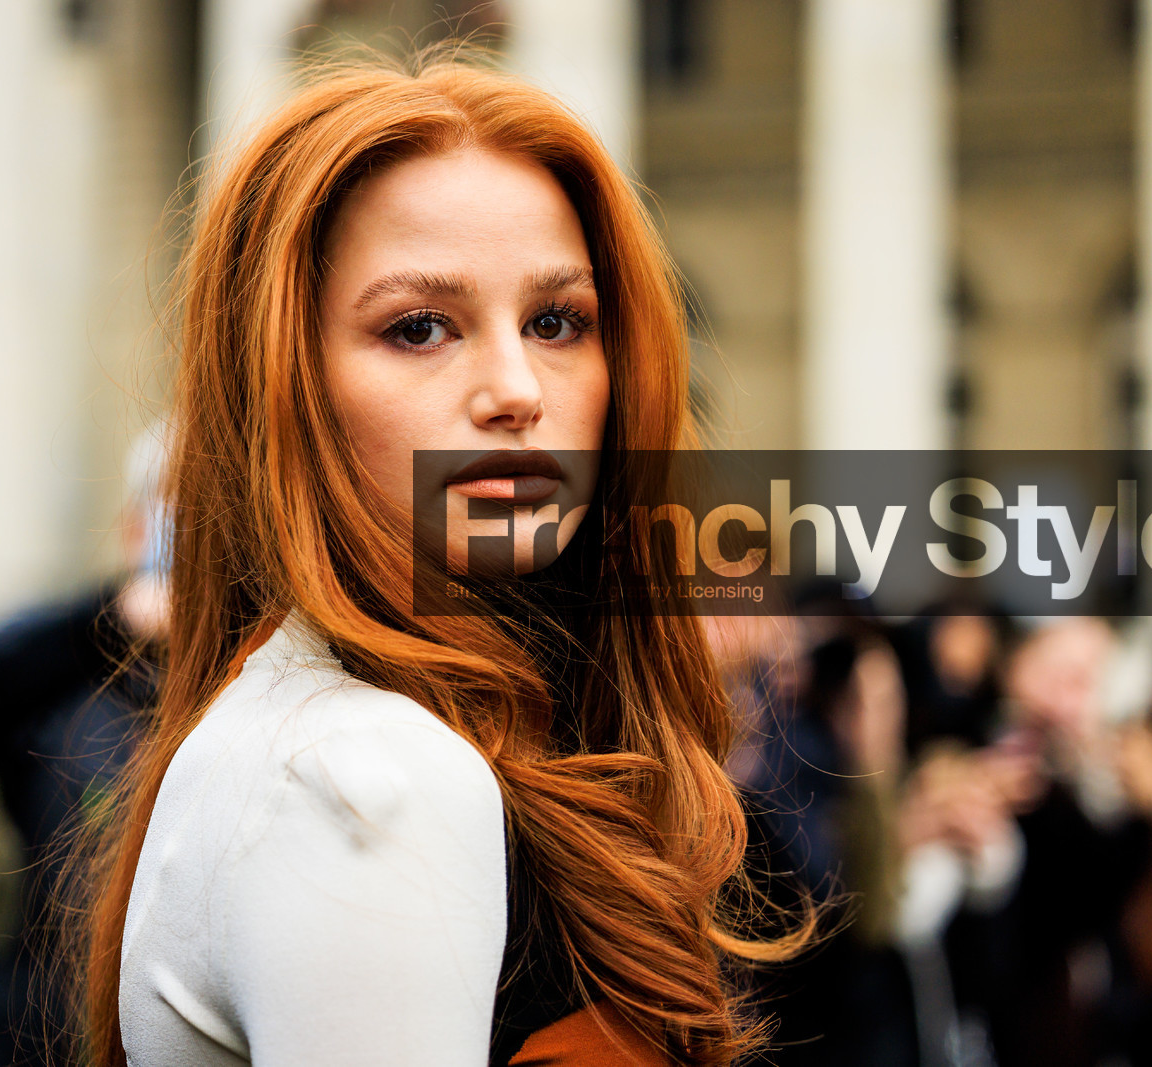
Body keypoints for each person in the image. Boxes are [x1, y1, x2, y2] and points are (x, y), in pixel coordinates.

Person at [77, 51, 803, 1067]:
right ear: (285, 385)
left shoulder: (360, 731)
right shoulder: (369, 774)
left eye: (556, 321)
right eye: (418, 328)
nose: (515, 388)